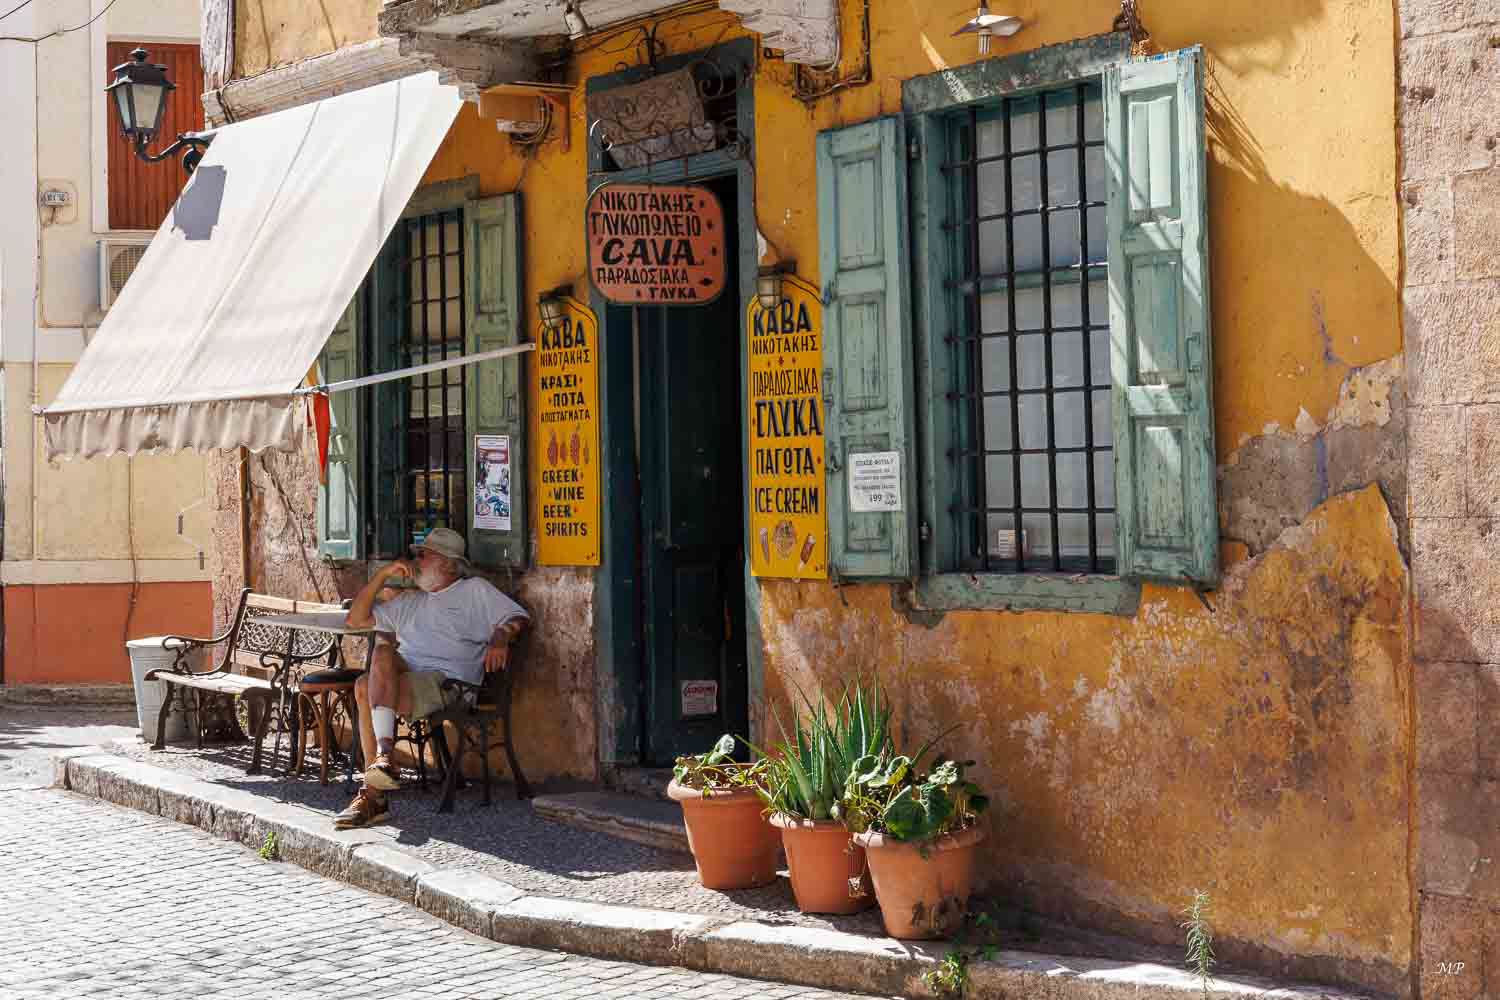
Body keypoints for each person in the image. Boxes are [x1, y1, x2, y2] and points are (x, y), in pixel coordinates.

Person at [333, 526, 528, 829]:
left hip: (447, 684)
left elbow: (518, 617)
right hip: (409, 680)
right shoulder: (411, 600)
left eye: (424, 555)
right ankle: (384, 759)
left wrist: (501, 635)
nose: (416, 561)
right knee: (376, 662)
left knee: (364, 684)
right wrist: (382, 576)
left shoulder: (473, 590)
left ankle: (374, 796)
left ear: (449, 564)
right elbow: (355, 620)